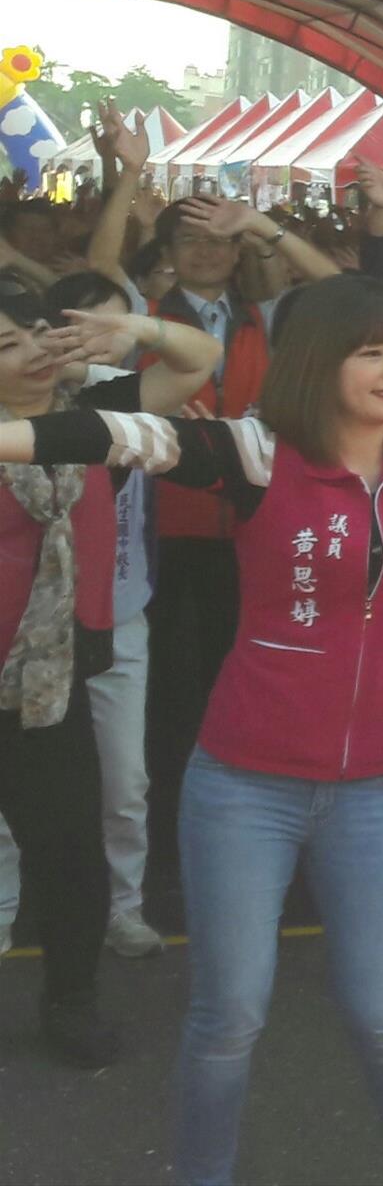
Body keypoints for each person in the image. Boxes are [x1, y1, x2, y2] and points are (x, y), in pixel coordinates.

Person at [0, 242, 383, 1184]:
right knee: (228, 1019)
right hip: (244, 786)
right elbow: (111, 436)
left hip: (381, 791)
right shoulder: (257, 454)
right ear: (318, 361)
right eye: (371, 352)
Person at [0, 283, 220, 1065]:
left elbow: (197, 362)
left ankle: (72, 1001)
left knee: (69, 854)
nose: (33, 352)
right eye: (8, 345)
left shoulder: (94, 417)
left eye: (38, 333)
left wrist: (131, 327)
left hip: (47, 685)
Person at [142, 193, 349, 859]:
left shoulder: (267, 316)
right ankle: (166, 831)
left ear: (238, 253)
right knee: (165, 689)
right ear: (166, 253)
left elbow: (344, 294)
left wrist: (263, 227)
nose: (206, 251)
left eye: (219, 240)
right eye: (190, 240)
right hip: (161, 530)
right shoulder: (144, 318)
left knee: (239, 684)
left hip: (252, 534)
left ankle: (237, 825)